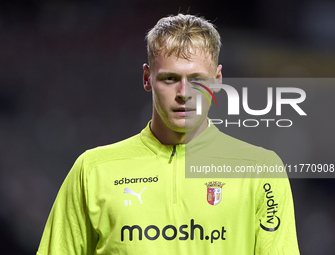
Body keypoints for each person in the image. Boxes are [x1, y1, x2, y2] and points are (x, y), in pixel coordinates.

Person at [37, 14, 299, 254]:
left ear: (218, 80)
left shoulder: (260, 169)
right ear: (147, 78)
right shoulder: (93, 170)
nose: (184, 93)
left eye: (197, 79)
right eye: (170, 78)